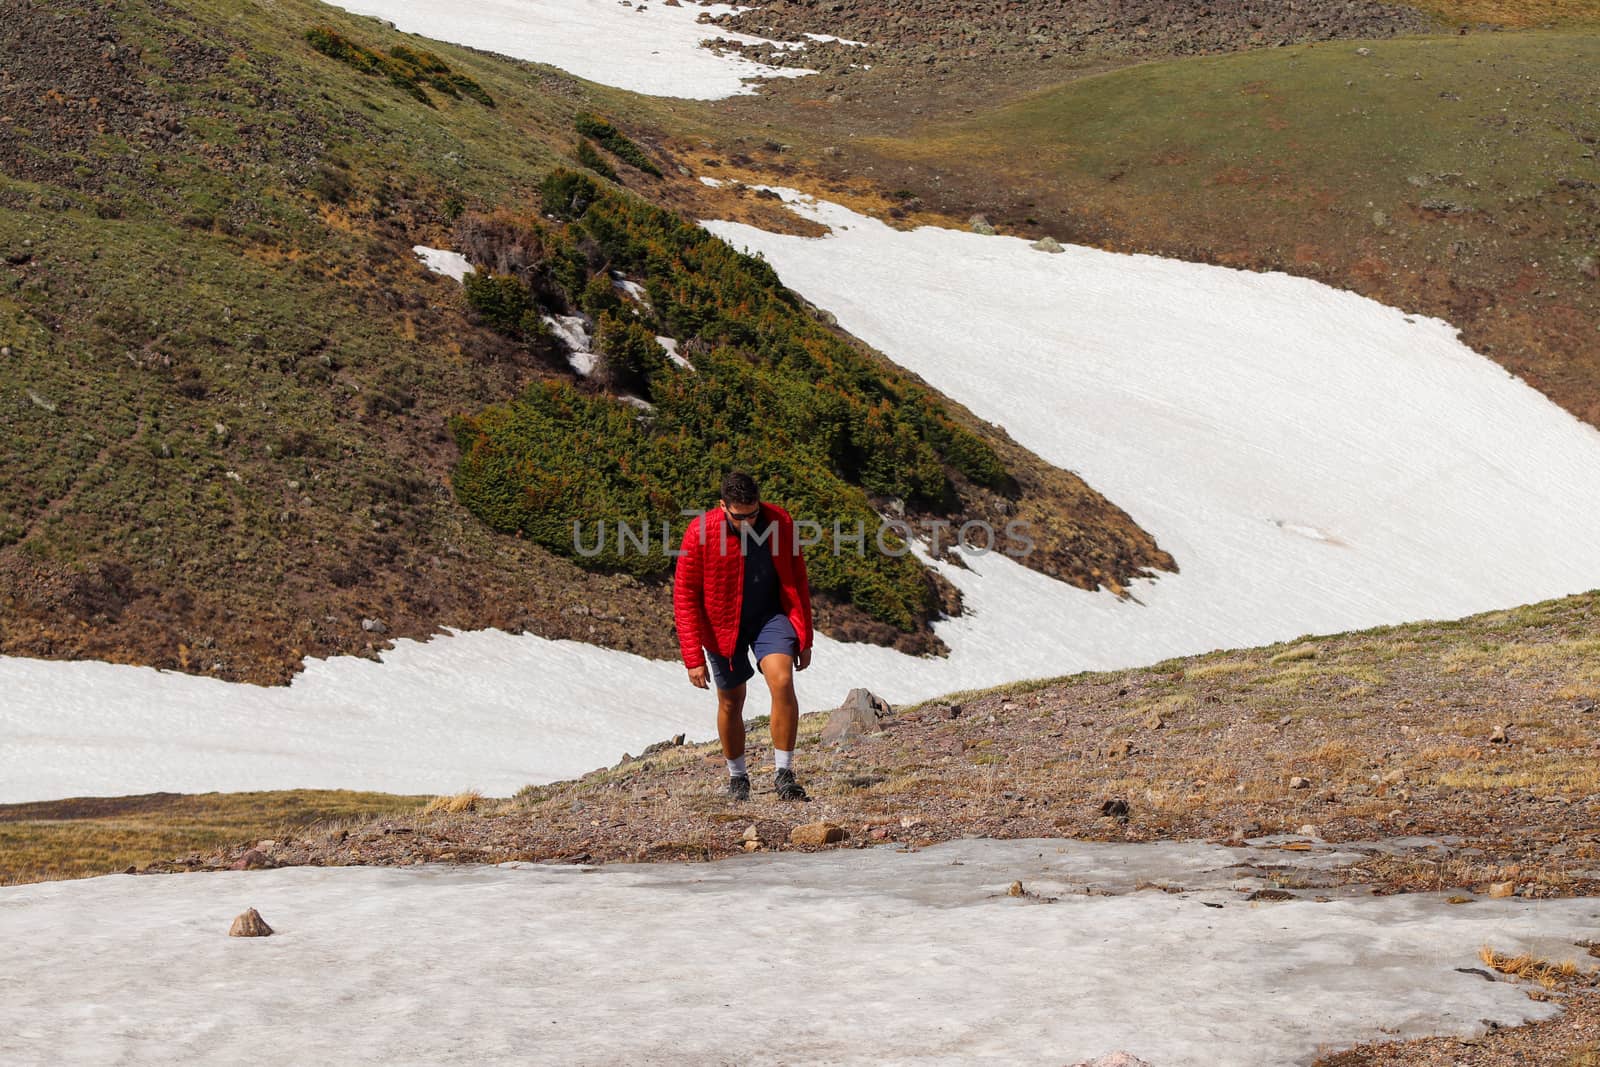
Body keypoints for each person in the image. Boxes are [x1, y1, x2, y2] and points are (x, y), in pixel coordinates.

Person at [673, 471, 814, 802]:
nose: (749, 521)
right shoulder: (700, 532)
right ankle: (738, 778)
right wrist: (693, 658)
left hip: (771, 617)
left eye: (753, 513)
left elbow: (798, 578)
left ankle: (784, 773)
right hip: (721, 626)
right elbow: (685, 595)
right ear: (723, 506)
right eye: (740, 517)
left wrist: (804, 638)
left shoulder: (778, 521)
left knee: (781, 681)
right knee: (731, 700)